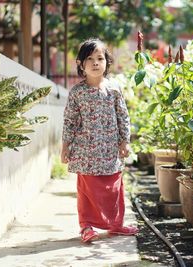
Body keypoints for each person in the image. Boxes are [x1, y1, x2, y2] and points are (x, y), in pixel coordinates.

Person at [61, 38, 138, 243]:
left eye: (100, 58)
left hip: (110, 150)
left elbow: (123, 116)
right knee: (87, 191)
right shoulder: (77, 92)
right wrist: (65, 147)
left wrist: (125, 141)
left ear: (107, 62)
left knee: (113, 188)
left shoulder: (113, 89)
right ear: (80, 64)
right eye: (90, 59)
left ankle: (116, 224)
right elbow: (70, 121)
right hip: (86, 152)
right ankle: (86, 226)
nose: (95, 63)